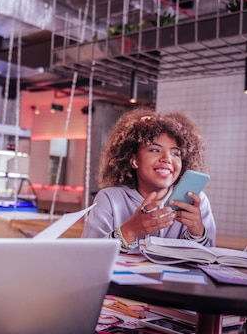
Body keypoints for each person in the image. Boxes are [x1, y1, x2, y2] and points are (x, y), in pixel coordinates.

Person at [82, 107, 216, 251]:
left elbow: (208, 258)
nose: (167, 159)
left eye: (175, 153)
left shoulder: (194, 201)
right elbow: (88, 253)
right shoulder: (109, 198)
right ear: (134, 160)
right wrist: (129, 231)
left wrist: (197, 233)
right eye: (155, 150)